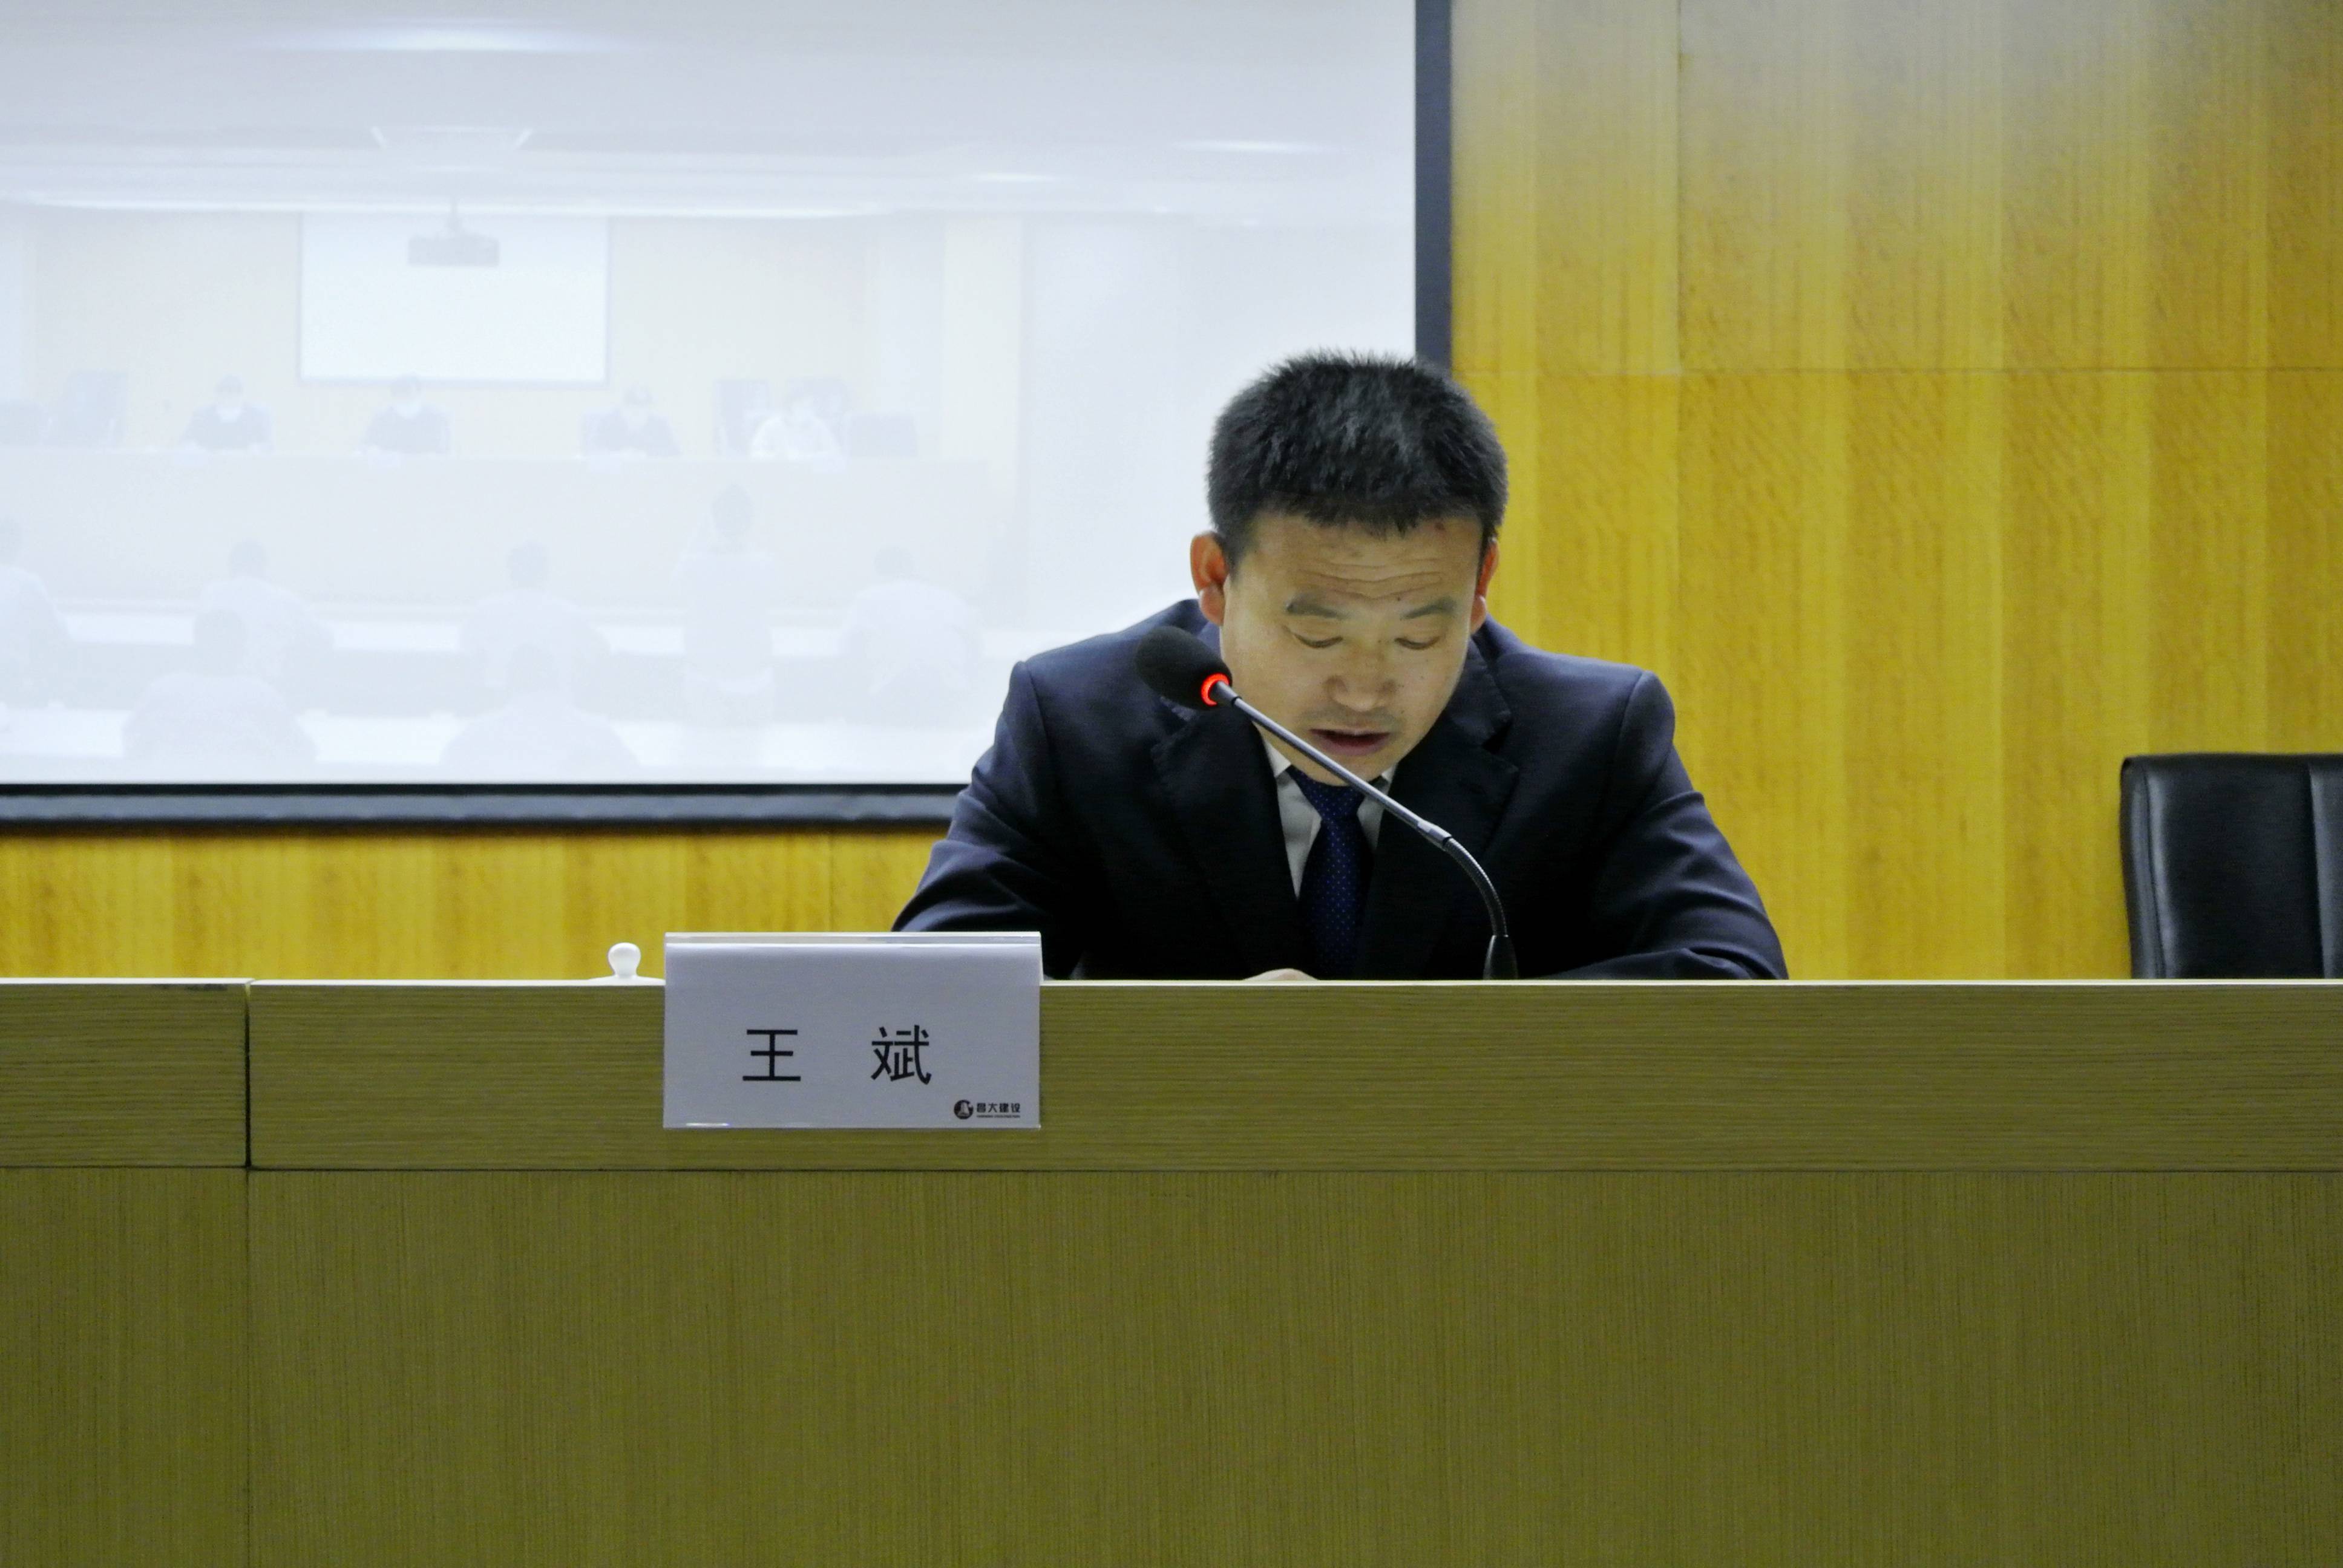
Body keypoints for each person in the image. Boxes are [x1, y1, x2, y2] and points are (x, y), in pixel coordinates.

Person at [896, 352, 1785, 982]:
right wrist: (1187, 1046)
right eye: (1317, 637)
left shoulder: (1590, 735)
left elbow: (1731, 980)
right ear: (1216, 577)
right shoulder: (1076, 719)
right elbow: (931, 999)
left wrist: (1384, 1051)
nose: (1364, 691)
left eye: (1416, 638)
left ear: (1480, 586)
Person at [123, 610, 313, 769]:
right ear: (241, 649)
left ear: (197, 645)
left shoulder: (163, 689)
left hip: (172, 797)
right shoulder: (261, 695)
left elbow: (134, 747)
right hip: (244, 798)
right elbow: (300, 753)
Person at [672, 486, 781, 724]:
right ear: (750, 523)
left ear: (713, 522)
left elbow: (677, 585)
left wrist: (699, 536)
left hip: (704, 678)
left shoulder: (692, 567)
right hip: (755, 678)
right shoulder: (764, 566)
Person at [440, 644, 635, 777]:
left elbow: (448, 779)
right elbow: (632, 779)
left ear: (509, 684)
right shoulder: (597, 733)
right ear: (558, 681)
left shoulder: (476, 735)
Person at [839, 547, 979, 725]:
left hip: (893, 697)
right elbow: (975, 647)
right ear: (912, 569)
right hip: (949, 697)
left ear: (879, 572)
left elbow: (848, 649)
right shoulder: (950, 598)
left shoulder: (867, 599)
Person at [458, 541, 608, 700]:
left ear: (510, 572)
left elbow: (467, 652)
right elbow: (599, 652)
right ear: (545, 573)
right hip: (555, 701)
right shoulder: (569, 613)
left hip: (498, 700)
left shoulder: (485, 611)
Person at [195, 540, 329, 689]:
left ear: (231, 567)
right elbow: (323, 639)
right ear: (264, 567)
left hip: (219, 686)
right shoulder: (286, 599)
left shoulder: (212, 593)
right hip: (271, 685)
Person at [0, 515, 68, 701]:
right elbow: (57, 627)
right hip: (10, 674)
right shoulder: (27, 583)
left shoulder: (27, 583)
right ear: (17, 548)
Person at [361, 376, 452, 456]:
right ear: (394, 394)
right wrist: (374, 451)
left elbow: (444, 450)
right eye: (401, 391)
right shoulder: (382, 418)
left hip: (427, 467)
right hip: (389, 467)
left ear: (419, 393)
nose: (405, 396)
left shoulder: (436, 417)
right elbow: (368, 446)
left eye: (408, 391)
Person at [582, 385, 681, 458]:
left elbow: (675, 454)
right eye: (633, 412)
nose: (638, 416)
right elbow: (592, 451)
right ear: (622, 409)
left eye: (644, 411)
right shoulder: (608, 423)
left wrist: (646, 455)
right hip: (614, 476)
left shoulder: (659, 425)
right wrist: (617, 456)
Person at [180, 376, 272, 452]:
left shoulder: (256, 416)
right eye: (224, 393)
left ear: (242, 395)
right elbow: (186, 442)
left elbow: (269, 446)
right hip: (209, 465)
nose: (229, 397)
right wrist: (194, 449)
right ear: (217, 395)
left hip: (247, 464)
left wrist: (259, 449)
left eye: (234, 393)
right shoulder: (202, 416)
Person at [749, 390, 842, 461]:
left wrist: (809, 458)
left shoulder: (818, 425)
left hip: (811, 474)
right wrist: (777, 457)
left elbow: (834, 453)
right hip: (778, 473)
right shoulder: (770, 426)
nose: (809, 410)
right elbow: (755, 454)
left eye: (811, 406)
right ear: (790, 407)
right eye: (804, 406)